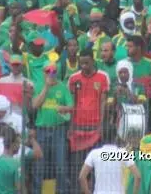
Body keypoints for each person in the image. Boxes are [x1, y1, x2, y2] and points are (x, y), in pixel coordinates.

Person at [68, 49, 110, 192]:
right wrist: (71, 126)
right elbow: (72, 102)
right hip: (78, 128)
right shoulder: (74, 78)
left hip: (95, 129)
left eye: (86, 63)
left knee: (96, 166)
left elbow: (103, 102)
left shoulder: (103, 77)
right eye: (81, 63)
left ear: (93, 60)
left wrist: (101, 125)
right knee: (78, 167)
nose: (84, 66)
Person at [31, 63, 74, 194]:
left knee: (60, 165)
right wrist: (46, 87)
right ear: (43, 72)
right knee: (39, 165)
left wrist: (64, 108)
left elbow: (71, 107)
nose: (51, 73)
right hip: (42, 130)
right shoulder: (38, 86)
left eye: (54, 71)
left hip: (58, 130)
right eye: (48, 71)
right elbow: (35, 105)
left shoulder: (63, 87)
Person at [79, 125, 141, 194]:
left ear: (102, 136)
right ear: (116, 137)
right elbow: (137, 176)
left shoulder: (94, 153)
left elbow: (82, 176)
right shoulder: (123, 153)